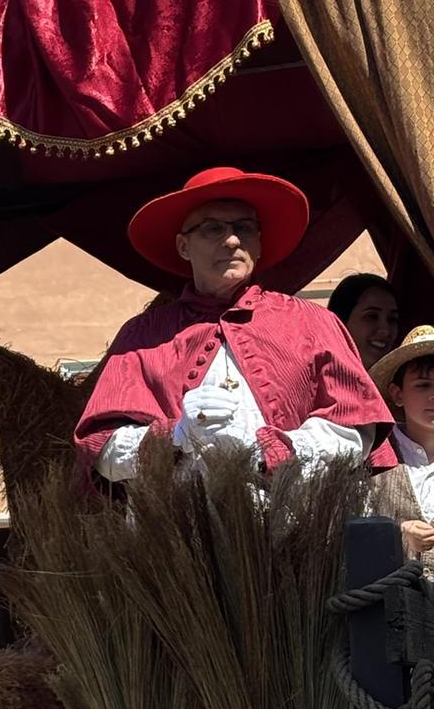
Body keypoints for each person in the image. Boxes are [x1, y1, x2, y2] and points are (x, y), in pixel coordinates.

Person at [75, 167, 392, 480]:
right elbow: (101, 450)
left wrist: (274, 451)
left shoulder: (313, 322)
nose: (231, 240)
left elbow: (355, 428)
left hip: (294, 511)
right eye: (212, 229)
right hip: (176, 513)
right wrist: (175, 435)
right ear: (183, 247)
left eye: (244, 227)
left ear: (259, 242)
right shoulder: (143, 335)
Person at [369, 326, 434, 561]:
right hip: (391, 583)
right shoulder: (374, 453)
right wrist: (398, 535)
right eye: (423, 385)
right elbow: (344, 532)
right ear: (398, 394)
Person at [328, 274, 400, 372]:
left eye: (392, 319)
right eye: (372, 316)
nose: (386, 330)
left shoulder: (405, 379)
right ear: (340, 323)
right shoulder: (314, 378)